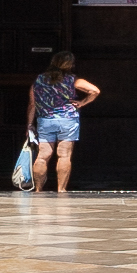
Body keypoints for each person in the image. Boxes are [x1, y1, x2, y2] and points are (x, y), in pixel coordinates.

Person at [25, 48, 99, 195]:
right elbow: (95, 90)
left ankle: (39, 189)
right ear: (69, 64)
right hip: (67, 120)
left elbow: (32, 104)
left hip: (45, 120)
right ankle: (61, 189)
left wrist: (29, 124)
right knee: (64, 155)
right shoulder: (73, 80)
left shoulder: (39, 80)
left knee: (43, 155)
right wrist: (82, 102)